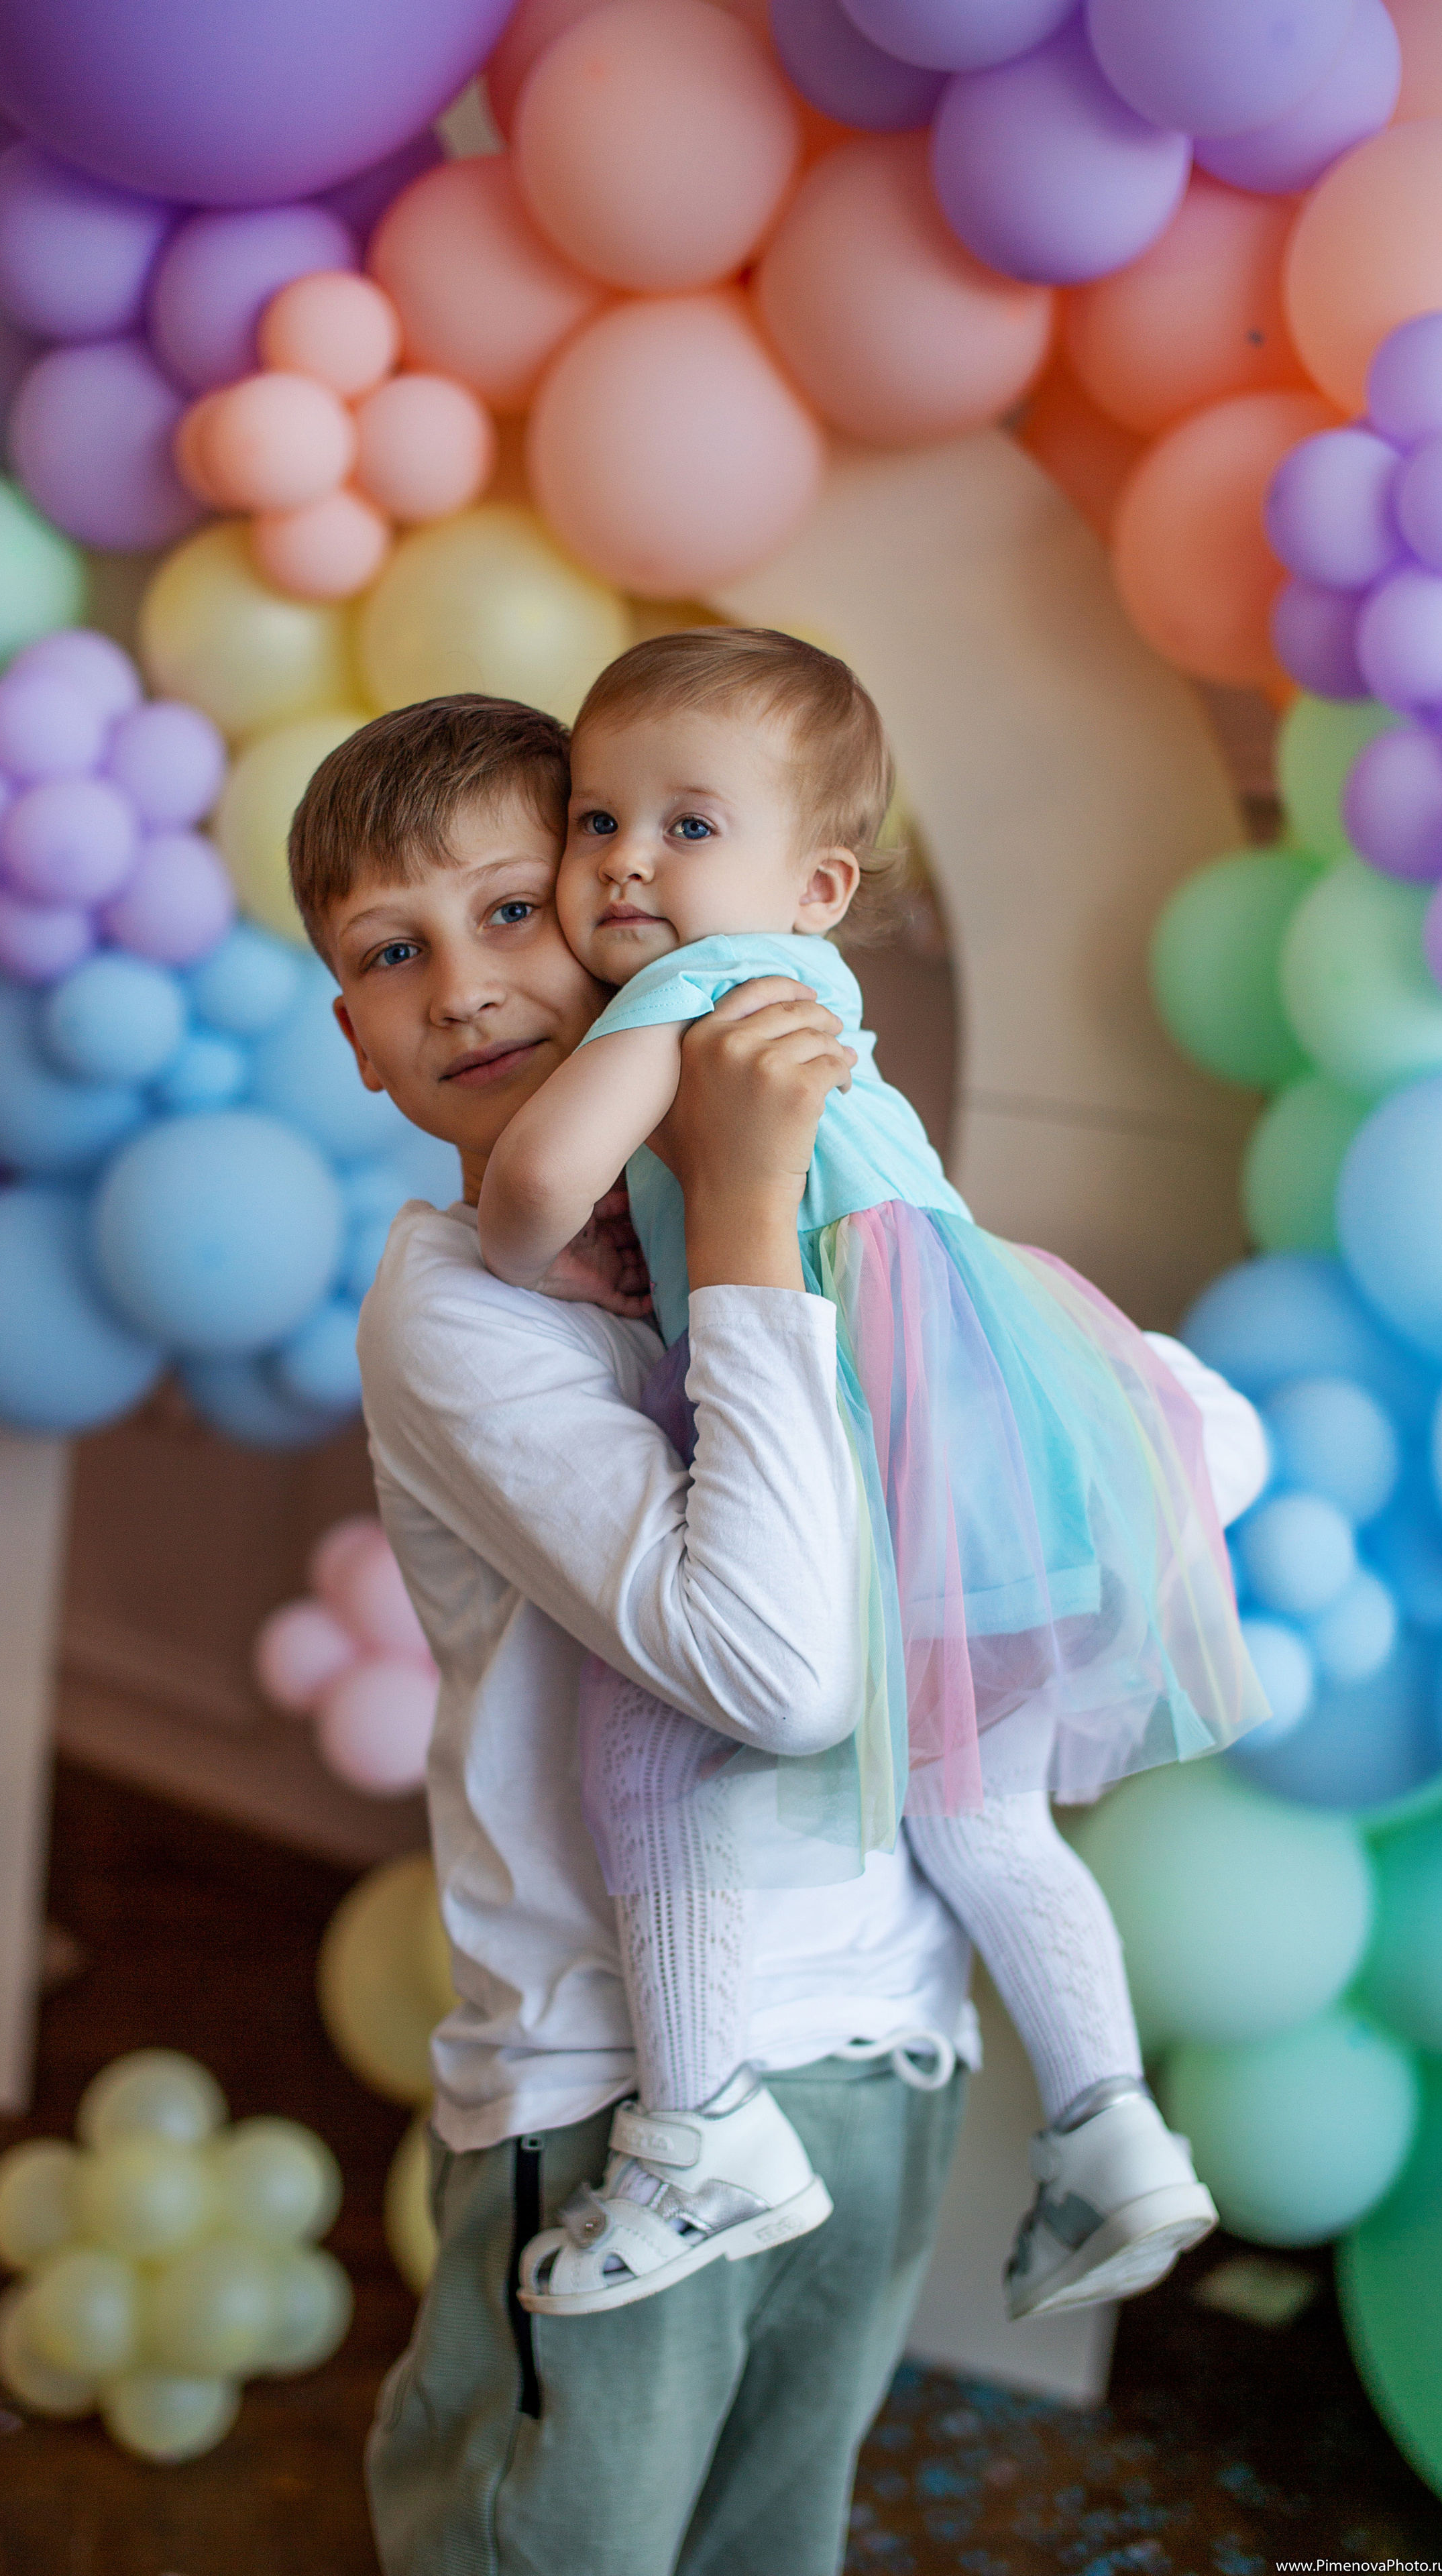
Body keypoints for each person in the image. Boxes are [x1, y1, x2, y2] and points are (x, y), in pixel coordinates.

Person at [475, 628, 1268, 2329]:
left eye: (689, 826)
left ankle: (698, 2136)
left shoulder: (703, 985)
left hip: (855, 1419)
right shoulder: (806, 1005)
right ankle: (1111, 2128)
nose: (624, 861)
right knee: (976, 1800)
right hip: (980, 1429)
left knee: (650, 1748)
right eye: (596, 818)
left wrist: (525, 1244)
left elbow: (537, 1181)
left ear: (813, 884)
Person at [290, 692, 981, 2576]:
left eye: (517, 910)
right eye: (390, 953)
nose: (465, 986)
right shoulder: (457, 1316)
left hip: (881, 2028)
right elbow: (772, 1671)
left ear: (624, 914)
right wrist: (749, 1196)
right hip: (620, 2099)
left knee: (777, 2537)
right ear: (348, 1035)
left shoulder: (782, 1220)